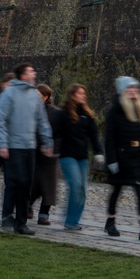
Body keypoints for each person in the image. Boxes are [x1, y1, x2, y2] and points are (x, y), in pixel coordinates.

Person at [0, 63, 54, 235]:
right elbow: (0, 120)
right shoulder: (9, 94)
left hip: (30, 147)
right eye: (30, 71)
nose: (34, 73)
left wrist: (47, 141)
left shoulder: (34, 97)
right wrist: (3, 144)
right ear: (22, 75)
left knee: (27, 184)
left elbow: (42, 121)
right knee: (15, 182)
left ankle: (21, 223)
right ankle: (7, 216)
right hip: (13, 147)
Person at [102, 76, 140, 240]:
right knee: (116, 191)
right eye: (129, 88)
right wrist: (112, 161)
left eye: (135, 88)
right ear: (123, 90)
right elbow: (109, 138)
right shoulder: (115, 111)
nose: (133, 91)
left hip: (138, 157)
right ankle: (110, 221)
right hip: (121, 158)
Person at [55, 84, 100, 231]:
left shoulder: (87, 115)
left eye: (84, 93)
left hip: (82, 156)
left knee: (82, 190)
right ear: (73, 95)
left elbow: (94, 135)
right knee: (75, 186)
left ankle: (74, 219)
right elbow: (55, 131)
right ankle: (70, 221)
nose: (83, 96)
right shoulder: (63, 113)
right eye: (80, 93)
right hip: (67, 155)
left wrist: (99, 152)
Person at [35, 84, 63, 225]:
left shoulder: (54, 113)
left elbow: (59, 134)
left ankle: (44, 213)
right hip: (33, 151)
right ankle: (28, 205)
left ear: (46, 97)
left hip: (49, 153)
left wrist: (54, 149)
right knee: (34, 184)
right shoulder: (30, 110)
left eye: (39, 96)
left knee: (48, 185)